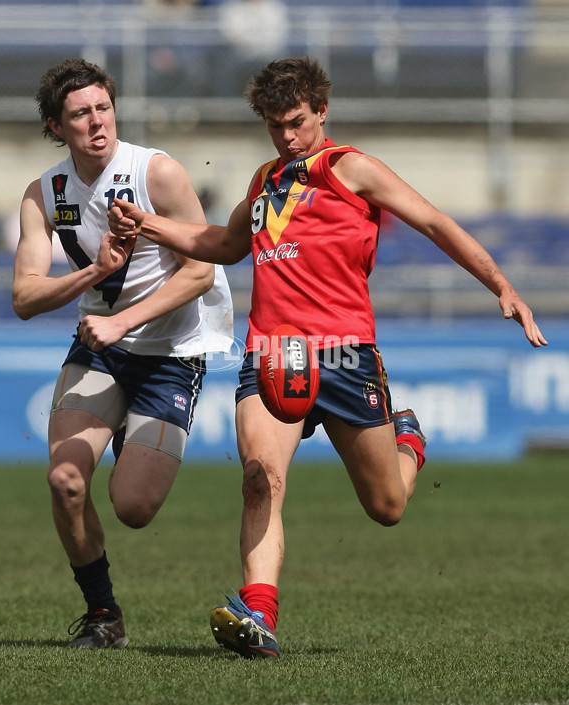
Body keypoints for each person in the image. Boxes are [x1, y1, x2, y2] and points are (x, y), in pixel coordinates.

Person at [108, 56, 548, 659]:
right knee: (260, 477)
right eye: (273, 125)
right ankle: (258, 614)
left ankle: (408, 440)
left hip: (345, 358)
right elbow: (223, 244)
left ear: (322, 112)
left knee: (387, 507)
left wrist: (501, 285)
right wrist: (149, 223)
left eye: (295, 122)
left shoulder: (353, 169)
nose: (286, 137)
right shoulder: (264, 180)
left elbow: (434, 222)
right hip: (269, 354)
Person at [12, 58, 233, 649]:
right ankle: (103, 616)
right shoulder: (46, 192)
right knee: (65, 481)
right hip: (100, 350)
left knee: (133, 506)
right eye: (80, 114)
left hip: (171, 352)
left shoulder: (155, 172)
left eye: (103, 108)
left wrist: (123, 321)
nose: (97, 123)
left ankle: (136, 441)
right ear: (57, 127)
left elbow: (202, 274)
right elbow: (25, 296)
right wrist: (95, 277)